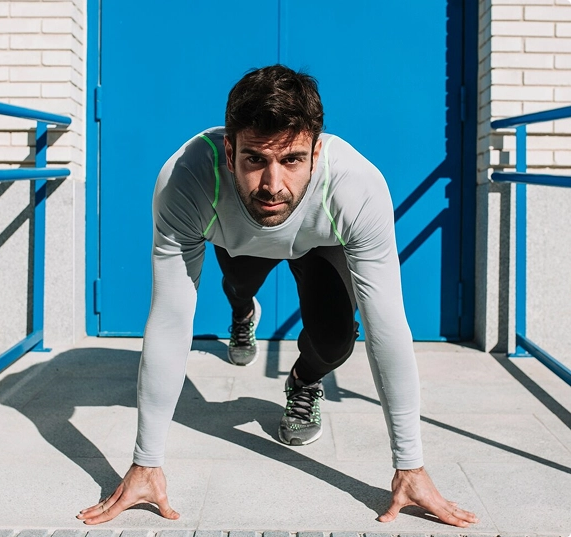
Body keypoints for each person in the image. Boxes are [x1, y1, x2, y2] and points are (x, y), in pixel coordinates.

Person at [78, 65, 478, 527]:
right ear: (229, 152)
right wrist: (146, 461)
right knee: (238, 288)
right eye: (254, 160)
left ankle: (303, 382)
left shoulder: (357, 187)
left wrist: (410, 465)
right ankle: (242, 311)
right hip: (238, 238)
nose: (272, 185)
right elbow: (170, 319)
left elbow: (387, 325)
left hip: (317, 241)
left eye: (291, 160)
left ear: (316, 152)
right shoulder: (187, 178)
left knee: (335, 340)